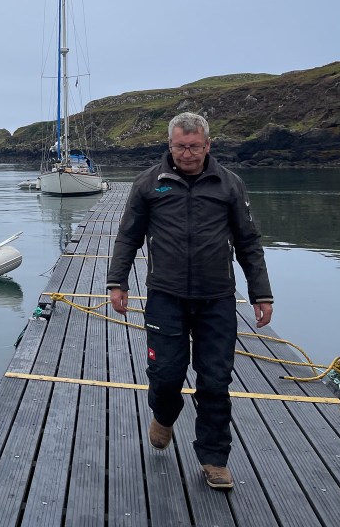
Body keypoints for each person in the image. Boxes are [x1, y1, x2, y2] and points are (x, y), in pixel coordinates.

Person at [106, 112, 274, 491]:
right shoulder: (149, 183)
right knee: (166, 375)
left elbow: (248, 242)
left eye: (194, 146)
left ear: (207, 145)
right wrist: (118, 282)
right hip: (165, 297)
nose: (187, 154)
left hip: (217, 300)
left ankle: (214, 458)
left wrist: (261, 293)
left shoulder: (229, 185)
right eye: (180, 146)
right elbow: (128, 236)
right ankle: (164, 415)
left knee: (215, 380)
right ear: (170, 145)